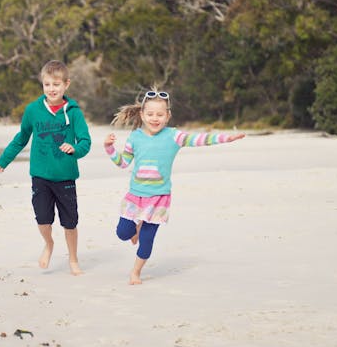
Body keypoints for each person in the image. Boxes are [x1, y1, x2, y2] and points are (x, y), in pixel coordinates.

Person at [104, 89, 245, 285]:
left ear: (168, 116)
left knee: (147, 241)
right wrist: (109, 148)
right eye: (151, 114)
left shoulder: (174, 136)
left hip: (158, 198)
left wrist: (225, 138)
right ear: (142, 115)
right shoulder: (135, 137)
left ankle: (135, 272)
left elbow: (200, 140)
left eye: (160, 115)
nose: (155, 119)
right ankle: (135, 228)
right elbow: (123, 163)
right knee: (123, 233)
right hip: (136, 196)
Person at [0, 60, 91, 276]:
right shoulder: (33, 110)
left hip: (65, 176)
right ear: (43, 85)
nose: (51, 89)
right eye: (47, 84)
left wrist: (74, 149)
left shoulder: (74, 112)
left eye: (56, 84)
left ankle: (73, 260)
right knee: (43, 220)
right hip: (40, 176)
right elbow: (22, 138)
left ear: (66, 84)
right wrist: (4, 159)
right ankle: (49, 244)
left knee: (70, 223)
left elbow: (85, 142)